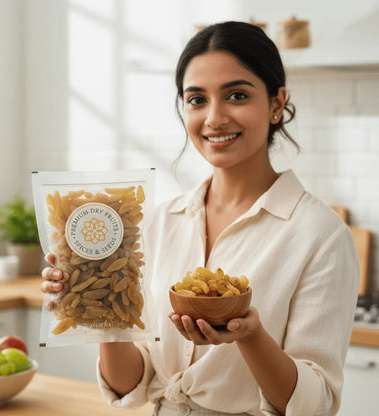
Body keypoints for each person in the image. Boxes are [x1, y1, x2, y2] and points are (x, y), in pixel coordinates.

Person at [41, 21, 359, 416]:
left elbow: (317, 404)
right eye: (197, 100)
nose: (214, 118)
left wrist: (251, 335)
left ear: (277, 104)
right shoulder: (160, 222)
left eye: (236, 95)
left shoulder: (321, 234)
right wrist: (101, 307)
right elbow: (130, 386)